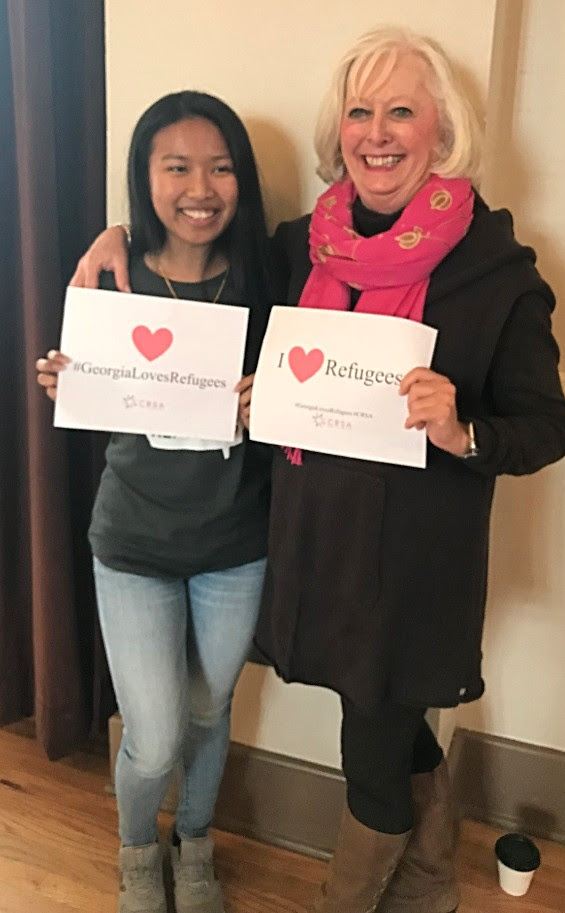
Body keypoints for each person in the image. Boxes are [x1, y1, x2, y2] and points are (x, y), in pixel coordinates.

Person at [67, 27, 565, 913]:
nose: (377, 133)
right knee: (392, 721)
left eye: (401, 111)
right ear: (339, 130)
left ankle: (355, 898)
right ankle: (429, 885)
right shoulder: (303, 247)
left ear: (444, 130)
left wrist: (462, 428)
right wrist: (114, 234)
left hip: (411, 568)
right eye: (359, 112)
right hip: (312, 547)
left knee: (373, 743)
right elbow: (196, 260)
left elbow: (546, 427)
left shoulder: (492, 272)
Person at [36, 90, 272, 913]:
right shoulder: (112, 276)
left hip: (236, 545)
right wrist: (69, 381)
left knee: (209, 711)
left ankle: (194, 841)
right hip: (133, 542)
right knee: (156, 733)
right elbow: (94, 381)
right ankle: (138, 848)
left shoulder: (267, 275)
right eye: (176, 167)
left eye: (221, 167)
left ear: (242, 179)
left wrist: (269, 400)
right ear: (144, 177)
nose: (200, 188)